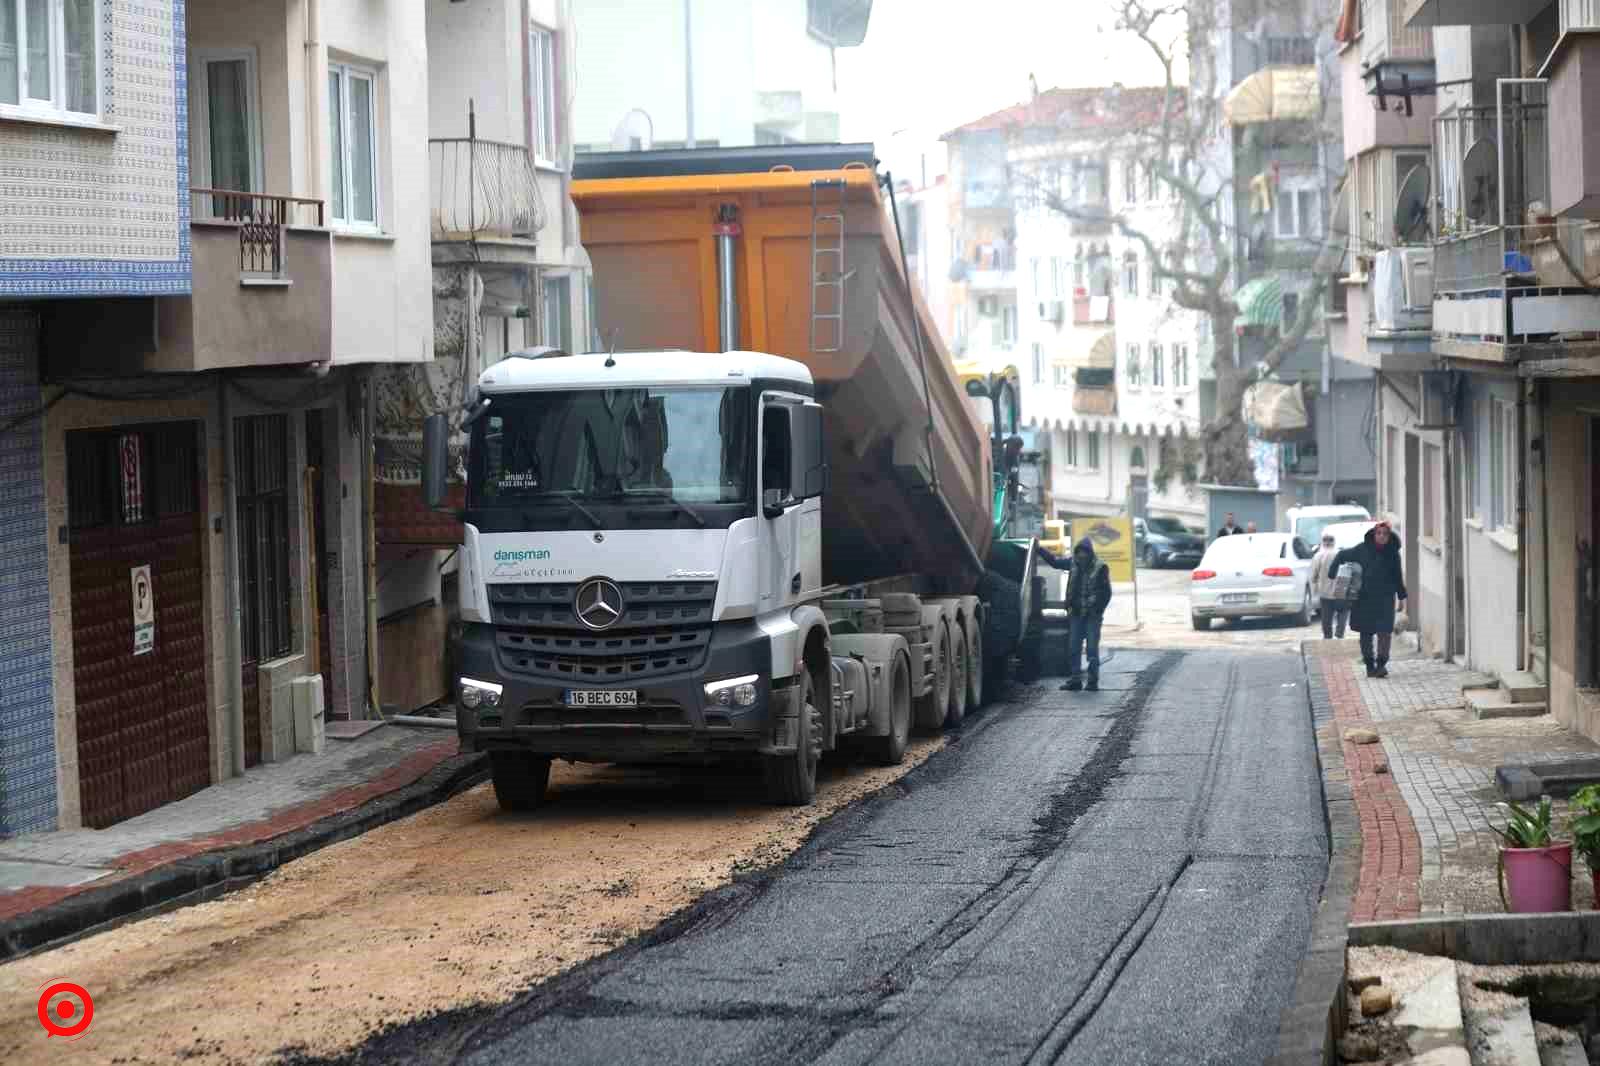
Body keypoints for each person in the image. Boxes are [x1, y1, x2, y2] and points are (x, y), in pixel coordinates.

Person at [1330, 518, 1407, 678]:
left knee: (1385, 632)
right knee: (1366, 632)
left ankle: (1381, 664)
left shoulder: (1393, 553)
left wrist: (1402, 596)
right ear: (1373, 535)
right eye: (1378, 533)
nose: (1381, 537)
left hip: (1385, 599)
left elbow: (1397, 576)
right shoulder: (1361, 549)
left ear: (1389, 536)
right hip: (1363, 599)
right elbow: (1341, 555)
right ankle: (1370, 665)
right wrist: (1332, 573)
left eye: (1385, 534)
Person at [1060, 537, 1113, 692]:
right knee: (1074, 648)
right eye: (1079, 554)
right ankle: (1075, 680)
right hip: (1076, 614)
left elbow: (1106, 593)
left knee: (1091, 650)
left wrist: (1097, 610)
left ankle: (1092, 681)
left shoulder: (1100, 567)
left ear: (1089, 554)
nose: (1081, 557)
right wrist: (1039, 549)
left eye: (1084, 554)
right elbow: (1055, 562)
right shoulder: (1073, 563)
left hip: (1092, 616)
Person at [1310, 532, 1349, 639]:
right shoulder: (1341, 554)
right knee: (1343, 611)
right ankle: (1339, 633)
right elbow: (1347, 572)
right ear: (1334, 542)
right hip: (1341, 590)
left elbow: (1313, 576)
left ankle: (1328, 636)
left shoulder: (1318, 556)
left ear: (1322, 542)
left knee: (1326, 616)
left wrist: (1314, 590)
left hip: (1325, 592)